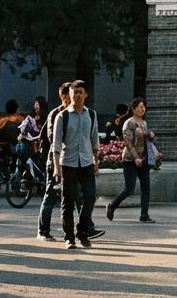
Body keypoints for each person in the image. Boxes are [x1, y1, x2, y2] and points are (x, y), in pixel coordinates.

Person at [52, 79, 100, 250]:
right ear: (69, 94)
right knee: (68, 201)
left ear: (85, 95)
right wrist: (57, 168)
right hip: (68, 163)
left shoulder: (91, 115)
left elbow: (94, 140)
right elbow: (56, 145)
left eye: (81, 92)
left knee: (90, 197)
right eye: (75, 92)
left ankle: (82, 231)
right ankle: (69, 237)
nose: (77, 95)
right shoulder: (62, 117)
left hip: (87, 162)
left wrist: (96, 160)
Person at [106, 97, 156, 223]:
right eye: (139, 106)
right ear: (133, 109)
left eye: (143, 106)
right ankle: (112, 205)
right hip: (130, 160)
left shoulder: (144, 123)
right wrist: (136, 158)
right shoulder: (128, 123)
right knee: (130, 189)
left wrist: (150, 136)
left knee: (146, 188)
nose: (142, 108)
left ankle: (144, 215)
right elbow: (128, 143)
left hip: (143, 159)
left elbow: (145, 141)